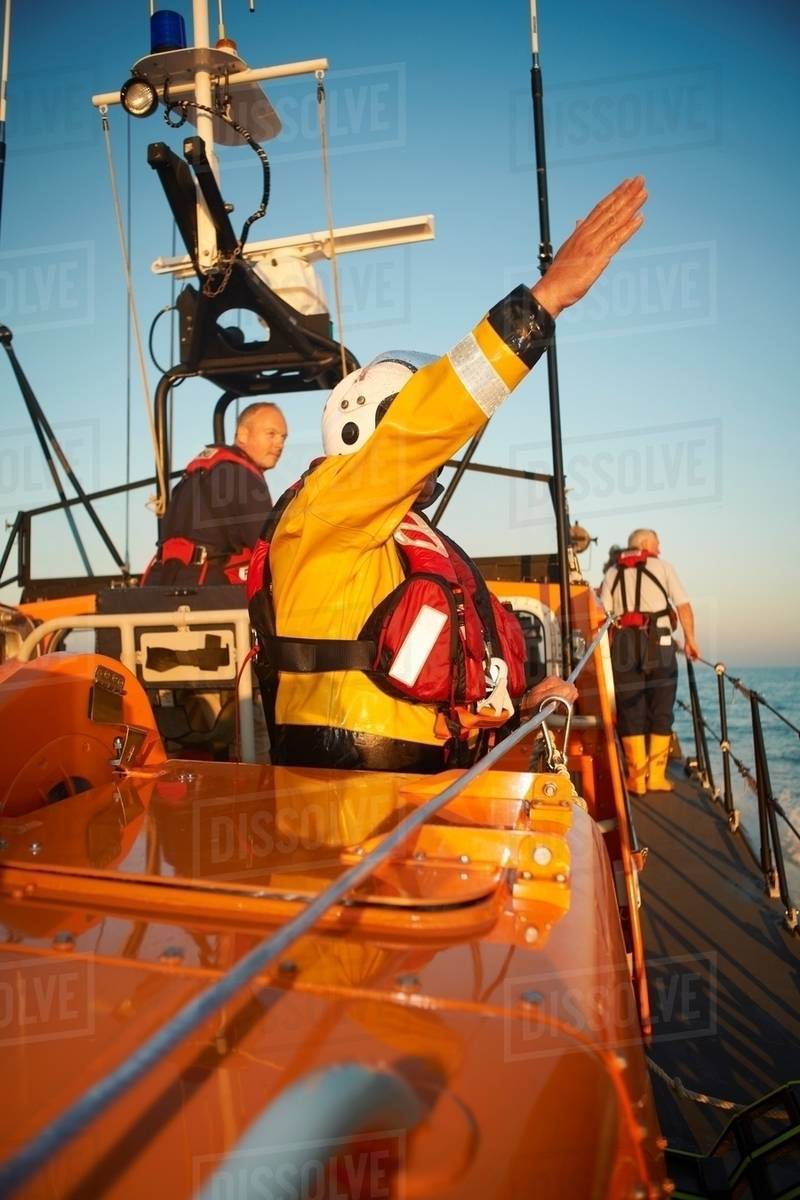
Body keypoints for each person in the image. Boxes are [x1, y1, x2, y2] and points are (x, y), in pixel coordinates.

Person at [250, 177, 647, 773]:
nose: (432, 456)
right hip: (349, 812)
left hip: (434, 791)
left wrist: (517, 708)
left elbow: (437, 680)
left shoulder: (399, 537)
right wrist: (544, 302)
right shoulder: (328, 508)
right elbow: (426, 421)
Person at [599, 528, 700, 794]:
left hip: (622, 644)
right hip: (660, 641)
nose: (660, 549)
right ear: (644, 544)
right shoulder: (663, 567)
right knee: (662, 706)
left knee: (631, 710)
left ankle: (636, 779)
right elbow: (684, 607)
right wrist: (691, 641)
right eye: (657, 544)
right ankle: (656, 777)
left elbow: (604, 616)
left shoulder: (612, 573)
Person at [143, 401, 288, 586]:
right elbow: (270, 550)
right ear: (243, 434)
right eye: (271, 434)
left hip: (159, 582)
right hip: (206, 591)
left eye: (283, 437)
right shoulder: (245, 477)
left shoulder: (198, 472)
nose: (279, 444)